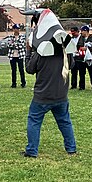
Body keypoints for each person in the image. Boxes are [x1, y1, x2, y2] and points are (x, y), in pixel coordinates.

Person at [21, 9, 76, 158]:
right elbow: (71, 65)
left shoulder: (41, 52)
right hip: (61, 94)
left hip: (42, 95)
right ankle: (71, 149)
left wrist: (28, 51)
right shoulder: (65, 51)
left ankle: (32, 151)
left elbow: (29, 69)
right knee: (65, 122)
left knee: (34, 121)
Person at [7, 24, 26, 88]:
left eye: (18, 29)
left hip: (20, 55)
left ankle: (23, 83)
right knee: (13, 70)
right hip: (12, 56)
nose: (17, 30)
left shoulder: (22, 36)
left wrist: (14, 44)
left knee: (21, 69)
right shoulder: (10, 37)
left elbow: (22, 45)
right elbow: (9, 45)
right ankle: (14, 83)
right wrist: (16, 44)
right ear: (13, 29)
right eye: (16, 28)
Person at [79, 25, 92, 91]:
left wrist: (88, 48)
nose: (81, 32)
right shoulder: (81, 38)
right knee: (81, 73)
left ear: (86, 31)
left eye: (82, 31)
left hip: (90, 58)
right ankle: (81, 86)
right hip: (82, 58)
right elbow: (78, 45)